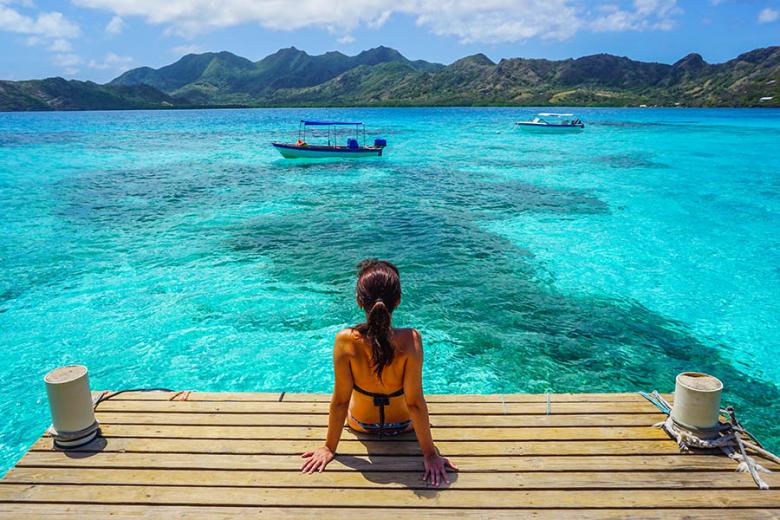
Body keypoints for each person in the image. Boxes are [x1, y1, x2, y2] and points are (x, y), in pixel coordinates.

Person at [301, 259, 457, 486]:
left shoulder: (345, 340)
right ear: (398, 301)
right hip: (404, 425)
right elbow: (414, 403)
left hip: (360, 424)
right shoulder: (411, 339)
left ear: (358, 301)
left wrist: (328, 448)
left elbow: (340, 401)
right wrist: (430, 455)